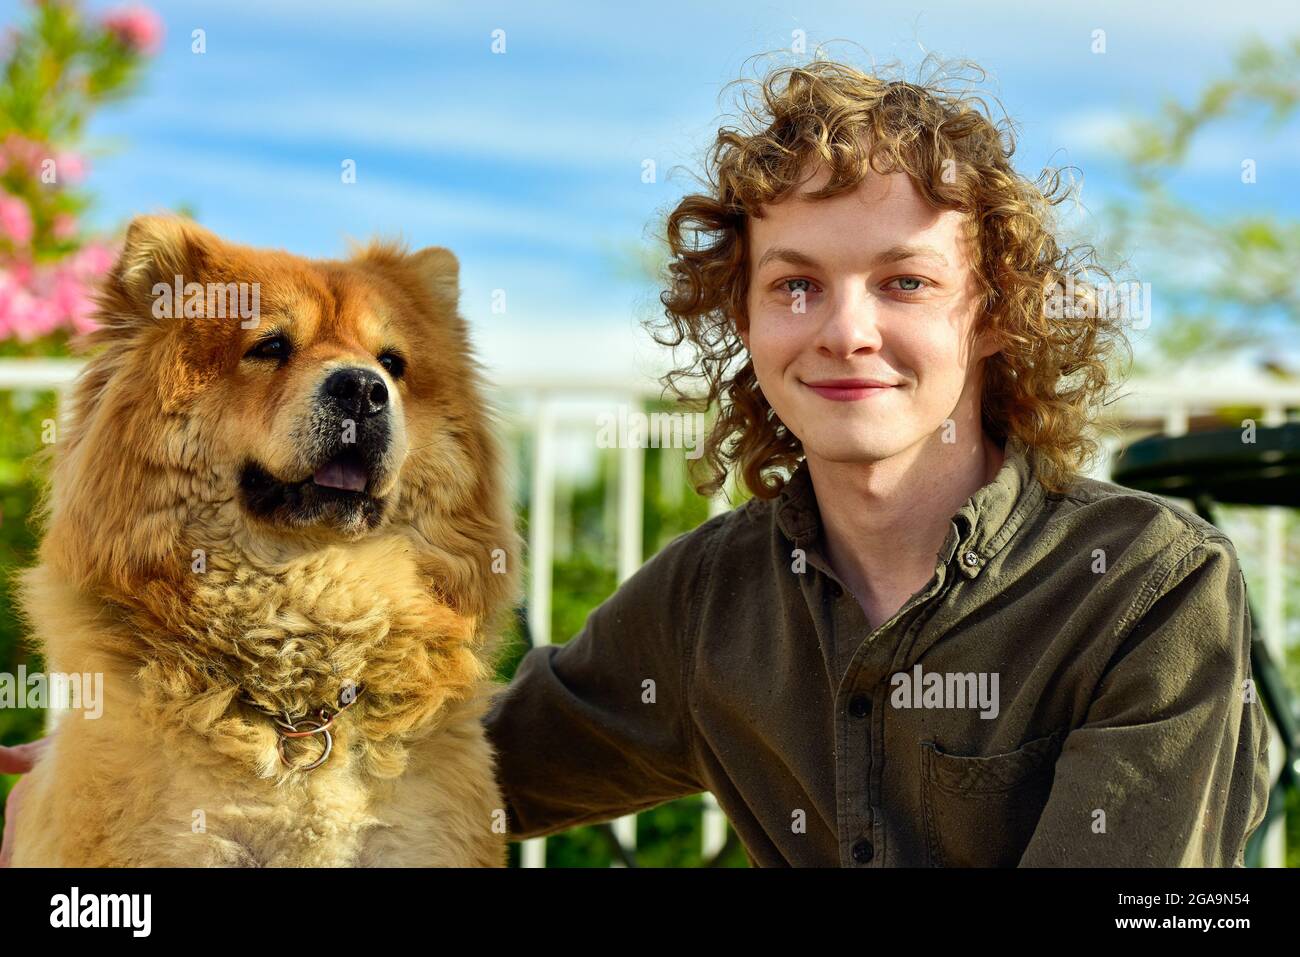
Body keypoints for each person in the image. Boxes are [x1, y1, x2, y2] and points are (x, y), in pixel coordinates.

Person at [2, 57, 1272, 868]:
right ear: (747, 320)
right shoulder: (712, 602)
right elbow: (483, 753)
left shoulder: (1145, 589)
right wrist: (107, 776)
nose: (847, 330)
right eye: (796, 285)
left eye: (903, 283)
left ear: (989, 315)